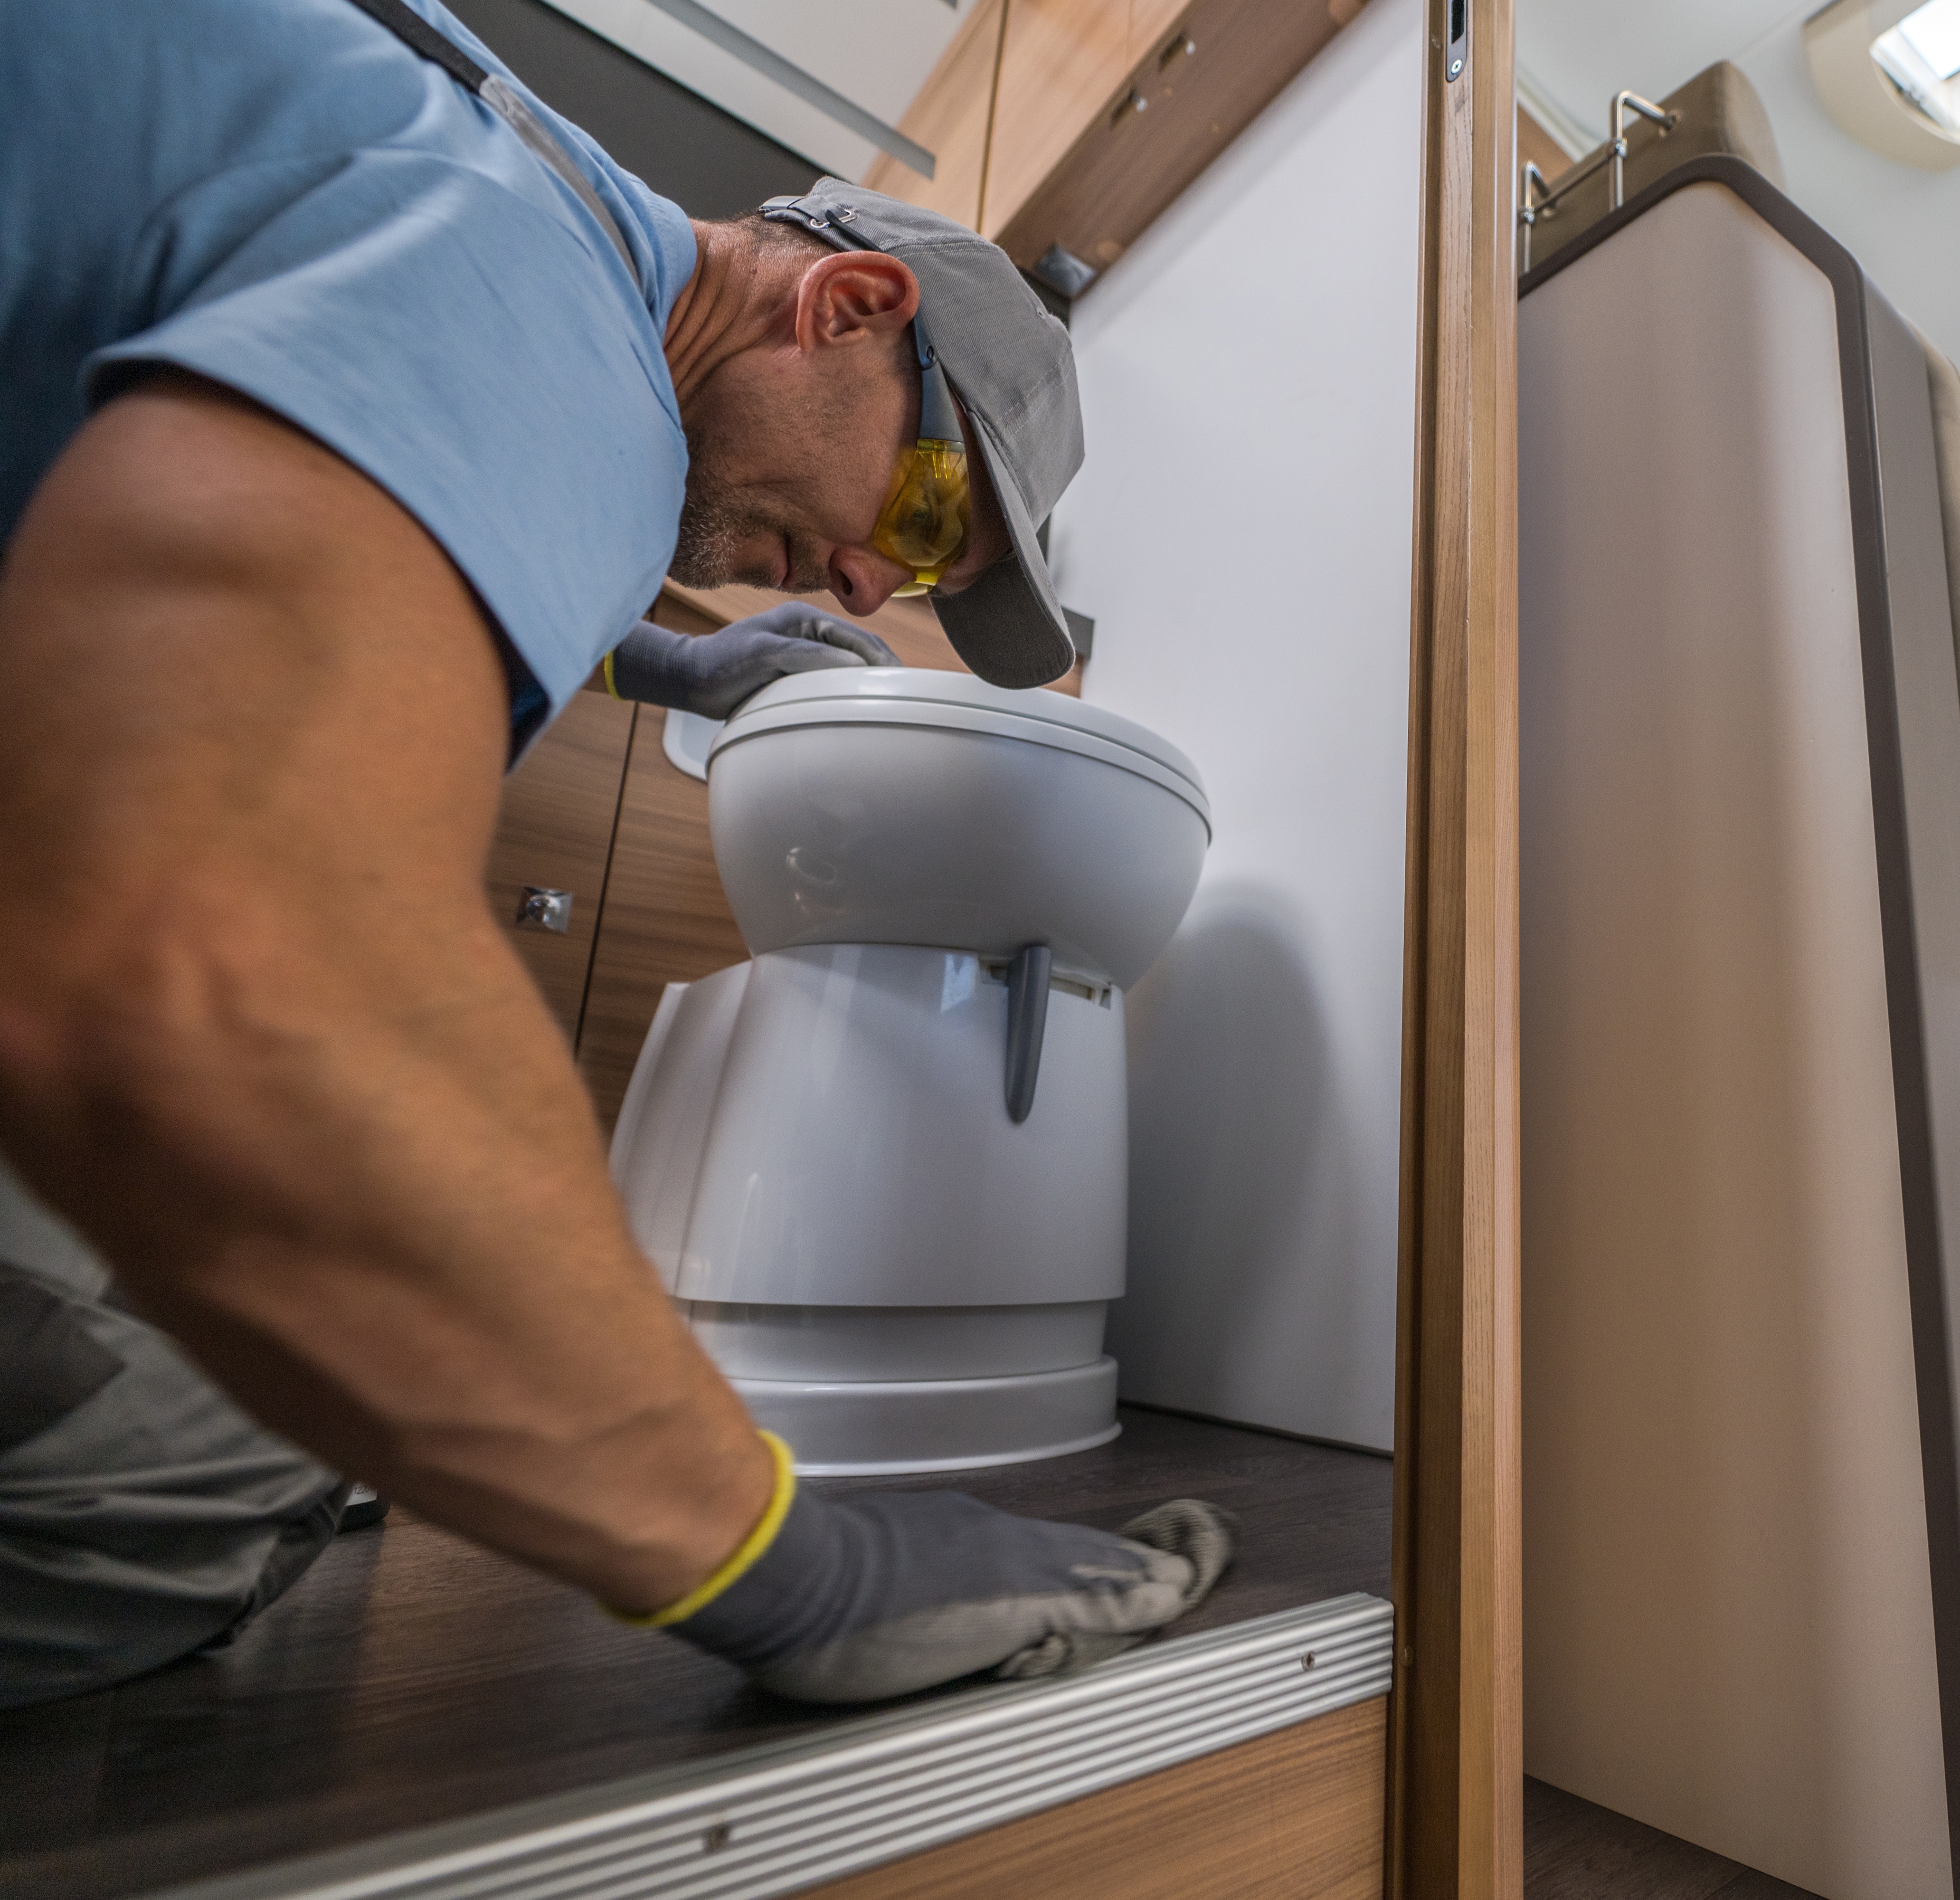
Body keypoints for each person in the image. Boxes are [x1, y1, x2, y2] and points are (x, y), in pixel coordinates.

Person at [0, 0, 1231, 1710]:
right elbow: (215, 978)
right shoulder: (550, 322)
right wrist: (789, 1561)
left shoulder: (510, 206)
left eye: (926, 577)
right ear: (852, 305)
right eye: (930, 514)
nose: (877, 584)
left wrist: (661, 653)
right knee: (196, 1459)